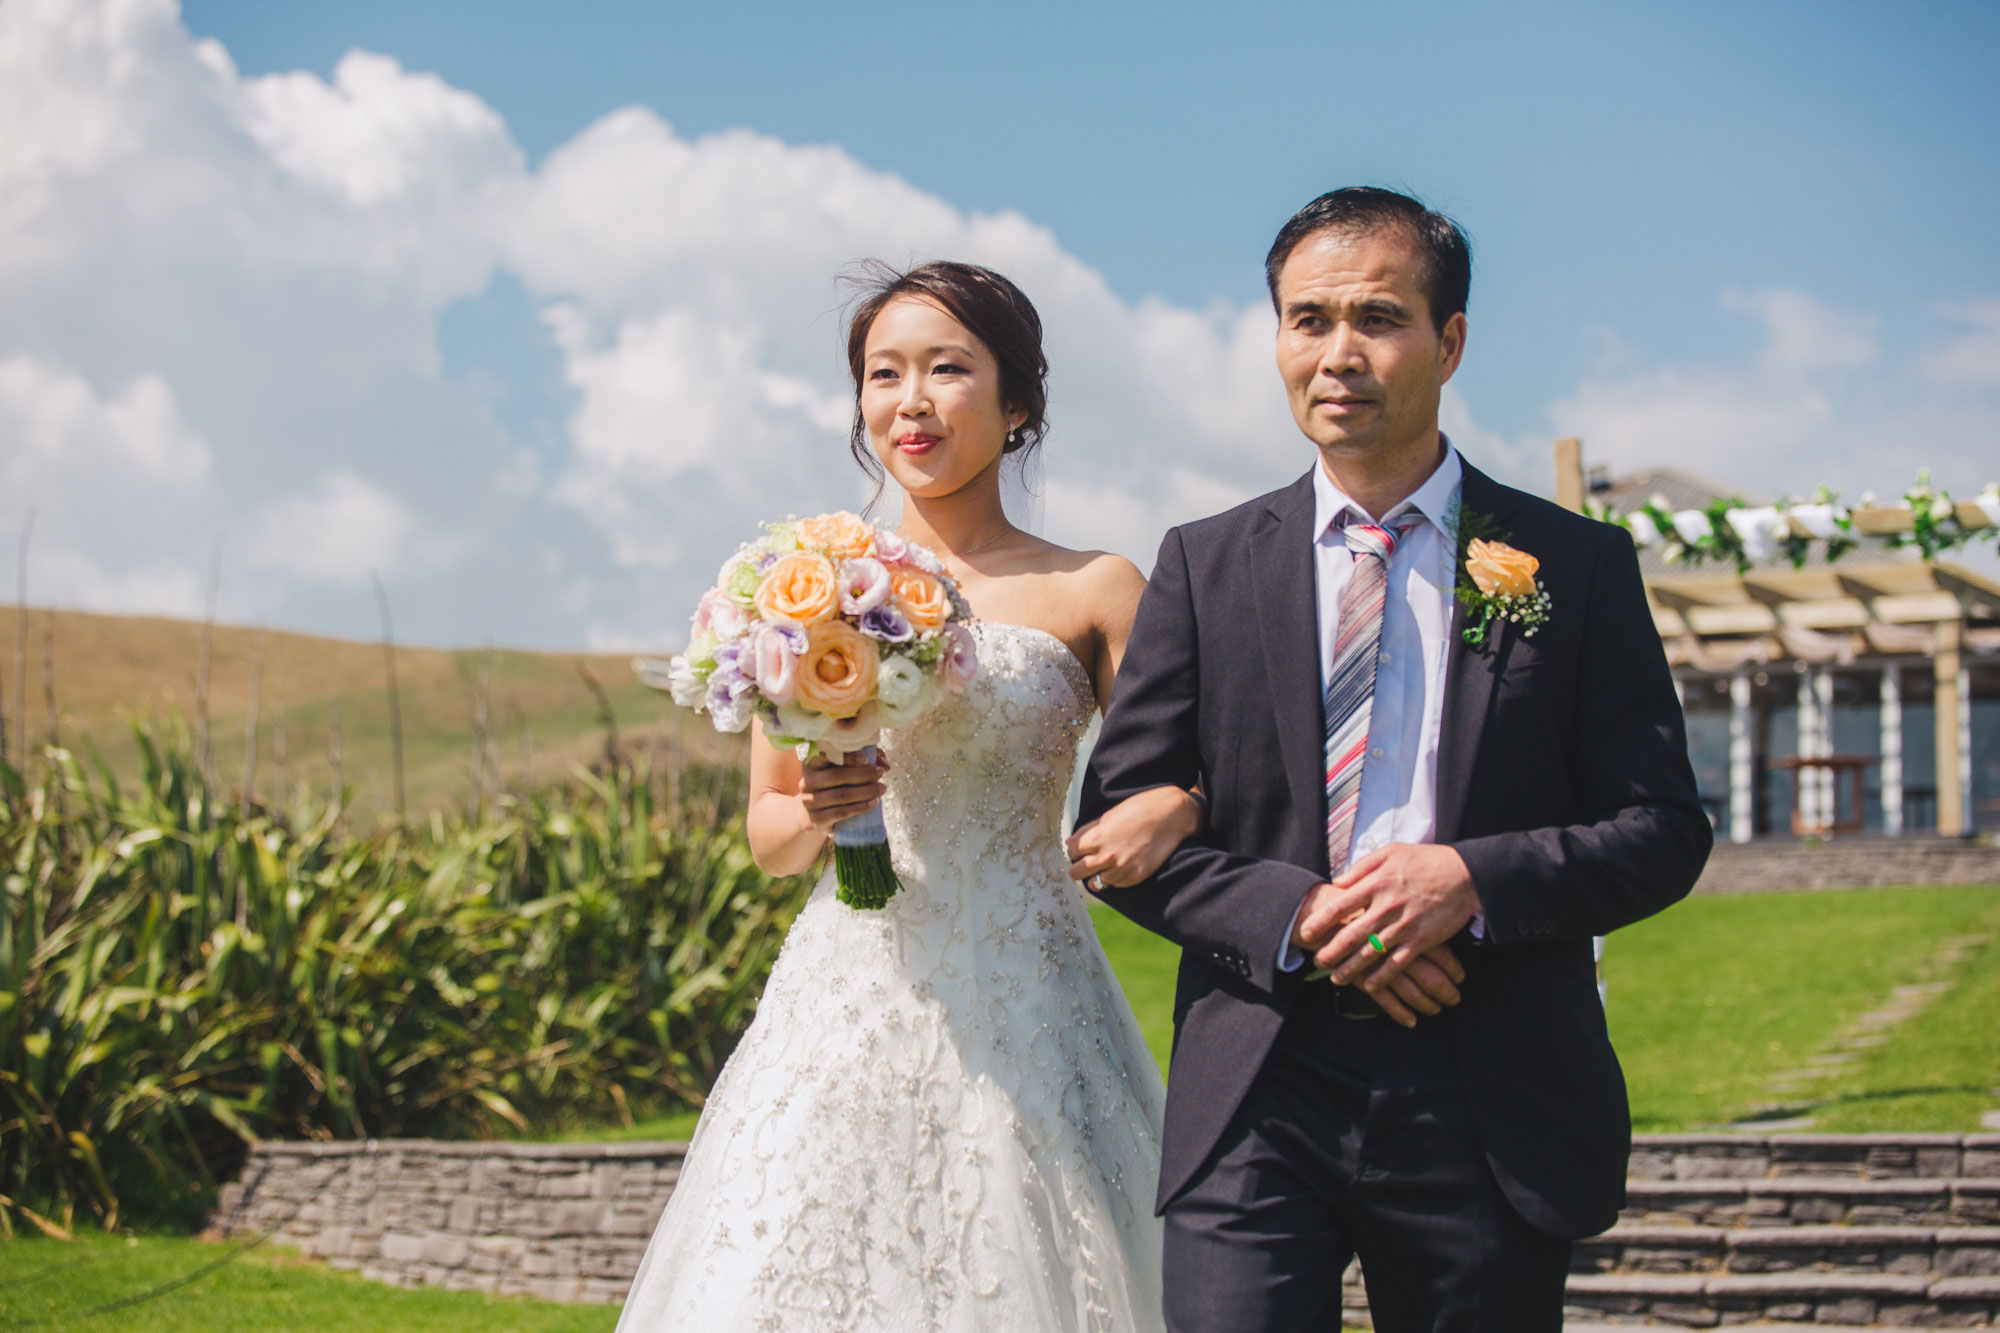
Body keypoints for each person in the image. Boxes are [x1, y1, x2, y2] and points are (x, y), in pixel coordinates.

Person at [1071, 187, 1712, 1332]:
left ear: (1448, 341)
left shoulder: (1572, 564)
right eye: (1305, 320)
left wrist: (1463, 883)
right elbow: (1120, 824)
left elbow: (1659, 829)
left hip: (1485, 1076)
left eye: (1377, 317)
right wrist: (1315, 919)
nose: (1337, 353)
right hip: (1258, 1078)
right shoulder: (1203, 565)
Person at [616, 260, 1200, 1332]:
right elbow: (768, 834)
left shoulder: (1093, 587)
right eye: (883, 374)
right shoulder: (804, 578)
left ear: (1017, 401)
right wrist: (818, 807)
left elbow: (1198, 765)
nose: (910, 401)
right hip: (847, 989)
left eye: (947, 368)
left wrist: (1179, 804)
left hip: (1032, 991)